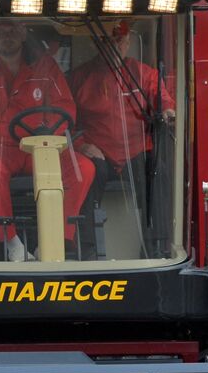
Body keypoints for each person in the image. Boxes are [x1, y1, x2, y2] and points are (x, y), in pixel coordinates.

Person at [0, 18, 94, 262]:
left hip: (40, 147)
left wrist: (51, 134)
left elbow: (65, 107)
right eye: (1, 30)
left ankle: (60, 239)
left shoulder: (45, 67)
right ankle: (12, 242)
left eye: (13, 29)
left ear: (24, 33)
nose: (7, 35)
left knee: (83, 169)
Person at [68, 19, 176, 227]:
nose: (115, 46)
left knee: (157, 171)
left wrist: (168, 112)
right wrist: (81, 145)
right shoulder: (79, 78)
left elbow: (162, 100)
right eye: (108, 41)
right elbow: (66, 121)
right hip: (97, 153)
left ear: (128, 42)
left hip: (135, 152)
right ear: (95, 44)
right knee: (84, 173)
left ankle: (157, 242)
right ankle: (86, 247)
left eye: (120, 41)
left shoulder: (144, 74)